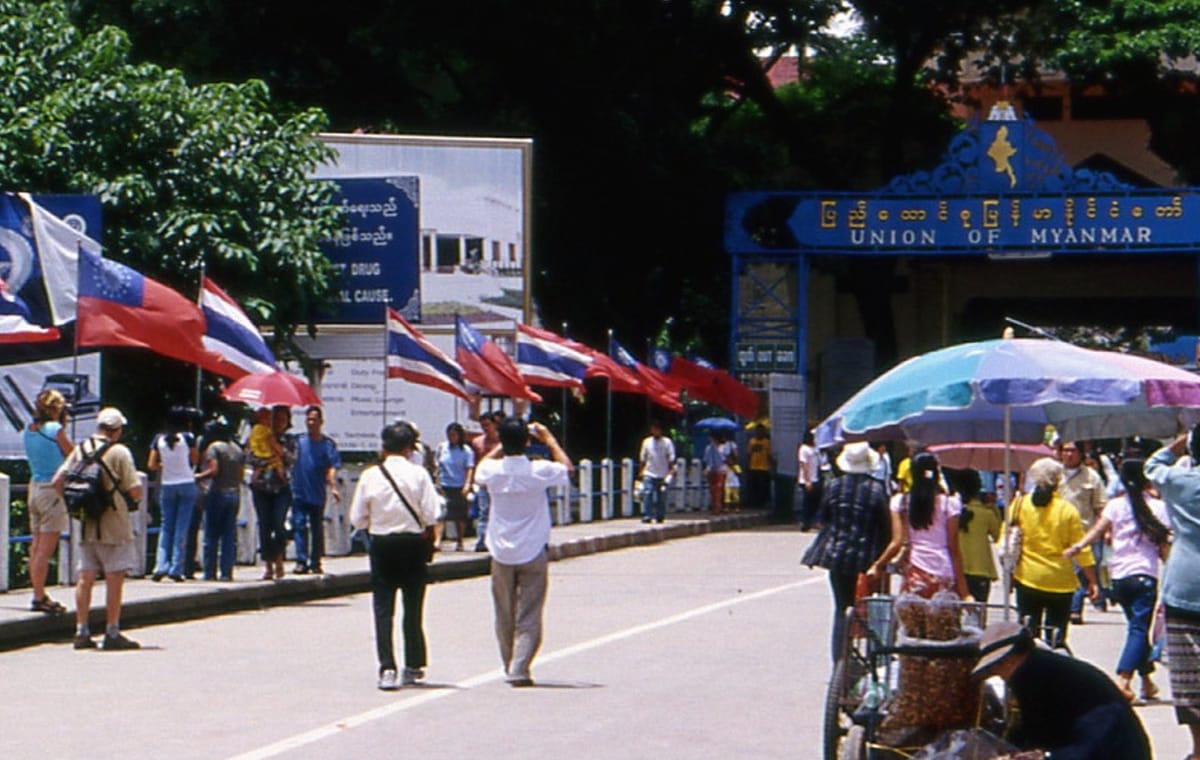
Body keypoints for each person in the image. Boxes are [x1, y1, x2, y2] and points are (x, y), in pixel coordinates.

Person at [474, 418, 572, 687]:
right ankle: (520, 666)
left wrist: (501, 446)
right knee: (529, 612)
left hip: (500, 550)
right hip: (532, 548)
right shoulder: (539, 470)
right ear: (527, 442)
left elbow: (480, 469)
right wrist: (549, 439)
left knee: (504, 612)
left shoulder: (493, 470)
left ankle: (510, 662)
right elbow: (567, 468)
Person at [1066, 458, 1170, 702]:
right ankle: (1123, 679)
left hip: (1119, 578)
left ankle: (1147, 682)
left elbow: (1097, 530)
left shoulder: (1115, 505)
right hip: (1144, 575)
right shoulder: (1158, 507)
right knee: (1138, 629)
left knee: (1136, 628)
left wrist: (1078, 546)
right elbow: (1164, 546)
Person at [972, 621, 1151, 759]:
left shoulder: (1033, 675)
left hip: (1107, 745)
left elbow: (1039, 731)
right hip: (1105, 740)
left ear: (1008, 660)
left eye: (995, 667)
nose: (997, 674)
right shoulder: (1039, 666)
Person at [349, 421, 441, 690]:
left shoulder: (370, 476)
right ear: (409, 448)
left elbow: (357, 518)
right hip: (413, 545)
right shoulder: (419, 474)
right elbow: (432, 514)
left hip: (382, 544)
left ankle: (387, 668)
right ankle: (413, 664)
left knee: (383, 609)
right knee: (413, 608)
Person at [52, 407, 144, 650]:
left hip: (86, 523)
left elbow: (57, 481)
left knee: (85, 577)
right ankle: (112, 631)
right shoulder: (120, 452)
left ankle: (81, 630)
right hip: (114, 522)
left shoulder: (81, 448)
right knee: (114, 577)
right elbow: (135, 490)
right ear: (117, 430)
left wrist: (75, 505)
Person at [800, 441, 891, 662]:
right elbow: (885, 528)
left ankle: (839, 663)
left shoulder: (834, 486)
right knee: (872, 610)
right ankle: (873, 660)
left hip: (837, 556)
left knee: (841, 608)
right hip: (866, 560)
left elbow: (824, 518)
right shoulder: (877, 489)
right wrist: (882, 561)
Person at [1144, 427, 1200, 760]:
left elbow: (1152, 466)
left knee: (1189, 679)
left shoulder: (1180, 482)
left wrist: (1179, 442)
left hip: (1184, 588)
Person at [1009, 456, 1098, 648]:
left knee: (1027, 636)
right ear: (1059, 480)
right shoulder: (1067, 510)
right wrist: (1092, 581)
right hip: (1060, 582)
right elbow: (1081, 549)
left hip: (1027, 578)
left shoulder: (1019, 505)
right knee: (1056, 637)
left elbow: (1007, 542)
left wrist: (1008, 575)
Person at [866, 451, 971, 600]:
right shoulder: (950, 504)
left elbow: (896, 543)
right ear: (937, 473)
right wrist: (965, 592)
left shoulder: (900, 502)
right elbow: (953, 548)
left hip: (915, 572)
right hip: (944, 572)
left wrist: (878, 565)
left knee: (913, 614)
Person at [21, 389, 72, 613]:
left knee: (36, 546)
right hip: (52, 490)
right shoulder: (55, 429)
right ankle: (39, 596)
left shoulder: (29, 430)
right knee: (45, 549)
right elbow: (73, 455)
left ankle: (37, 592)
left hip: (34, 488)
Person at [147, 405, 199, 583]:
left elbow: (151, 465)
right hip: (186, 483)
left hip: (167, 485)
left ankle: (160, 565)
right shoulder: (188, 438)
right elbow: (195, 459)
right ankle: (176, 567)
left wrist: (165, 464)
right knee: (181, 527)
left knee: (166, 526)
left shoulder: (158, 439)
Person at [1059, 439, 1108, 624]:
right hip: (1058, 533)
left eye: (1072, 451)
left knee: (1081, 571)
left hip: (1084, 534)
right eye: (1065, 450)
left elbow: (1100, 506)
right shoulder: (1054, 475)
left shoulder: (1091, 477)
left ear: (1081, 454)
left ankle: (1074, 608)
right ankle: (1068, 606)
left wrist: (1106, 531)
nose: (1069, 454)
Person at [290, 405, 341, 574]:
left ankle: (315, 561)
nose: (311, 423)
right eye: (308, 419)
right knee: (299, 525)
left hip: (317, 492)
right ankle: (301, 561)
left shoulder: (328, 445)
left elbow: (332, 467)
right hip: (299, 491)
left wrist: (333, 487)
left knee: (316, 528)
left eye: (314, 419)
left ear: (321, 422)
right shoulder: (298, 442)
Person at [248, 405, 294, 581]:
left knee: (279, 525)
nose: (278, 423)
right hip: (262, 487)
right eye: (275, 419)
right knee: (265, 525)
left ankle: (279, 559)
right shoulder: (258, 435)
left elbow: (291, 459)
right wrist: (267, 461)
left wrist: (275, 447)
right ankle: (268, 565)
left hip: (281, 488)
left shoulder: (289, 440)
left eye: (282, 420)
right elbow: (250, 457)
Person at [195, 421, 244, 582]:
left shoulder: (214, 448)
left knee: (211, 535)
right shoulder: (237, 449)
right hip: (234, 494)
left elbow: (214, 470)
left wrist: (198, 477)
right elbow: (240, 475)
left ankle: (210, 572)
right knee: (229, 535)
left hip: (217, 493)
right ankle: (226, 572)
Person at [955, 468, 1001, 604]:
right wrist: (993, 507)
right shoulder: (986, 514)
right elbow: (997, 536)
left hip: (957, 568)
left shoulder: (953, 512)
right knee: (979, 611)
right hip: (981, 569)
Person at [435, 421, 475, 551]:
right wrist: (437, 481)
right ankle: (437, 541)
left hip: (459, 485)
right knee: (441, 513)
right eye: (449, 435)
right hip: (444, 485)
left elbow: (469, 468)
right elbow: (438, 466)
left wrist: (467, 484)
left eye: (454, 435)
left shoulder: (466, 451)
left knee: (460, 515)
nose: (451, 437)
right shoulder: (442, 447)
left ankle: (460, 541)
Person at [469, 411, 503, 552]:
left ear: (495, 425)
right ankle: (482, 540)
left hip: (500, 482)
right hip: (484, 483)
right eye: (482, 425)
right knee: (484, 512)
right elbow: (474, 462)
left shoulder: (502, 442)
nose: (485, 428)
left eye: (487, 425)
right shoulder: (477, 442)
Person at [637, 420, 675, 524]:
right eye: (653, 429)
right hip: (649, 472)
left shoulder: (667, 442)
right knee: (648, 493)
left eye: (657, 429)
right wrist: (641, 471)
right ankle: (647, 515)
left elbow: (671, 458)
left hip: (663, 473)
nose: (655, 431)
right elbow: (643, 458)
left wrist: (670, 471)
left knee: (661, 496)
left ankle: (660, 515)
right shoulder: (647, 442)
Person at [248, 406, 286, 482]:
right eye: (268, 419)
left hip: (258, 450)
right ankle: (282, 478)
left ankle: (254, 479)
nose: (269, 421)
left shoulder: (255, 428)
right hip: (265, 451)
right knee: (278, 464)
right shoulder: (266, 430)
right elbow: (271, 441)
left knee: (258, 469)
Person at [797, 431, 822, 531]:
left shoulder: (816, 449)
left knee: (816, 501)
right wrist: (807, 480)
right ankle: (805, 522)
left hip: (816, 478)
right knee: (807, 502)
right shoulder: (804, 449)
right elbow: (804, 465)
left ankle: (814, 521)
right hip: (807, 480)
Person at [745, 423, 773, 508]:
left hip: (764, 468)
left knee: (763, 487)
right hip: (753, 467)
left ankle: (762, 503)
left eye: (761, 431)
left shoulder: (767, 442)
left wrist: (771, 466)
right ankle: (754, 503)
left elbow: (769, 455)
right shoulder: (752, 441)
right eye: (758, 431)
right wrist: (747, 466)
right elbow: (749, 454)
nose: (759, 433)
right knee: (754, 487)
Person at [702, 432, 728, 514]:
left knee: (719, 488)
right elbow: (706, 459)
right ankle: (715, 506)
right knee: (713, 489)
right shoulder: (708, 448)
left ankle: (719, 506)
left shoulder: (723, 447)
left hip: (721, 470)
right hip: (711, 470)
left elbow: (726, 458)